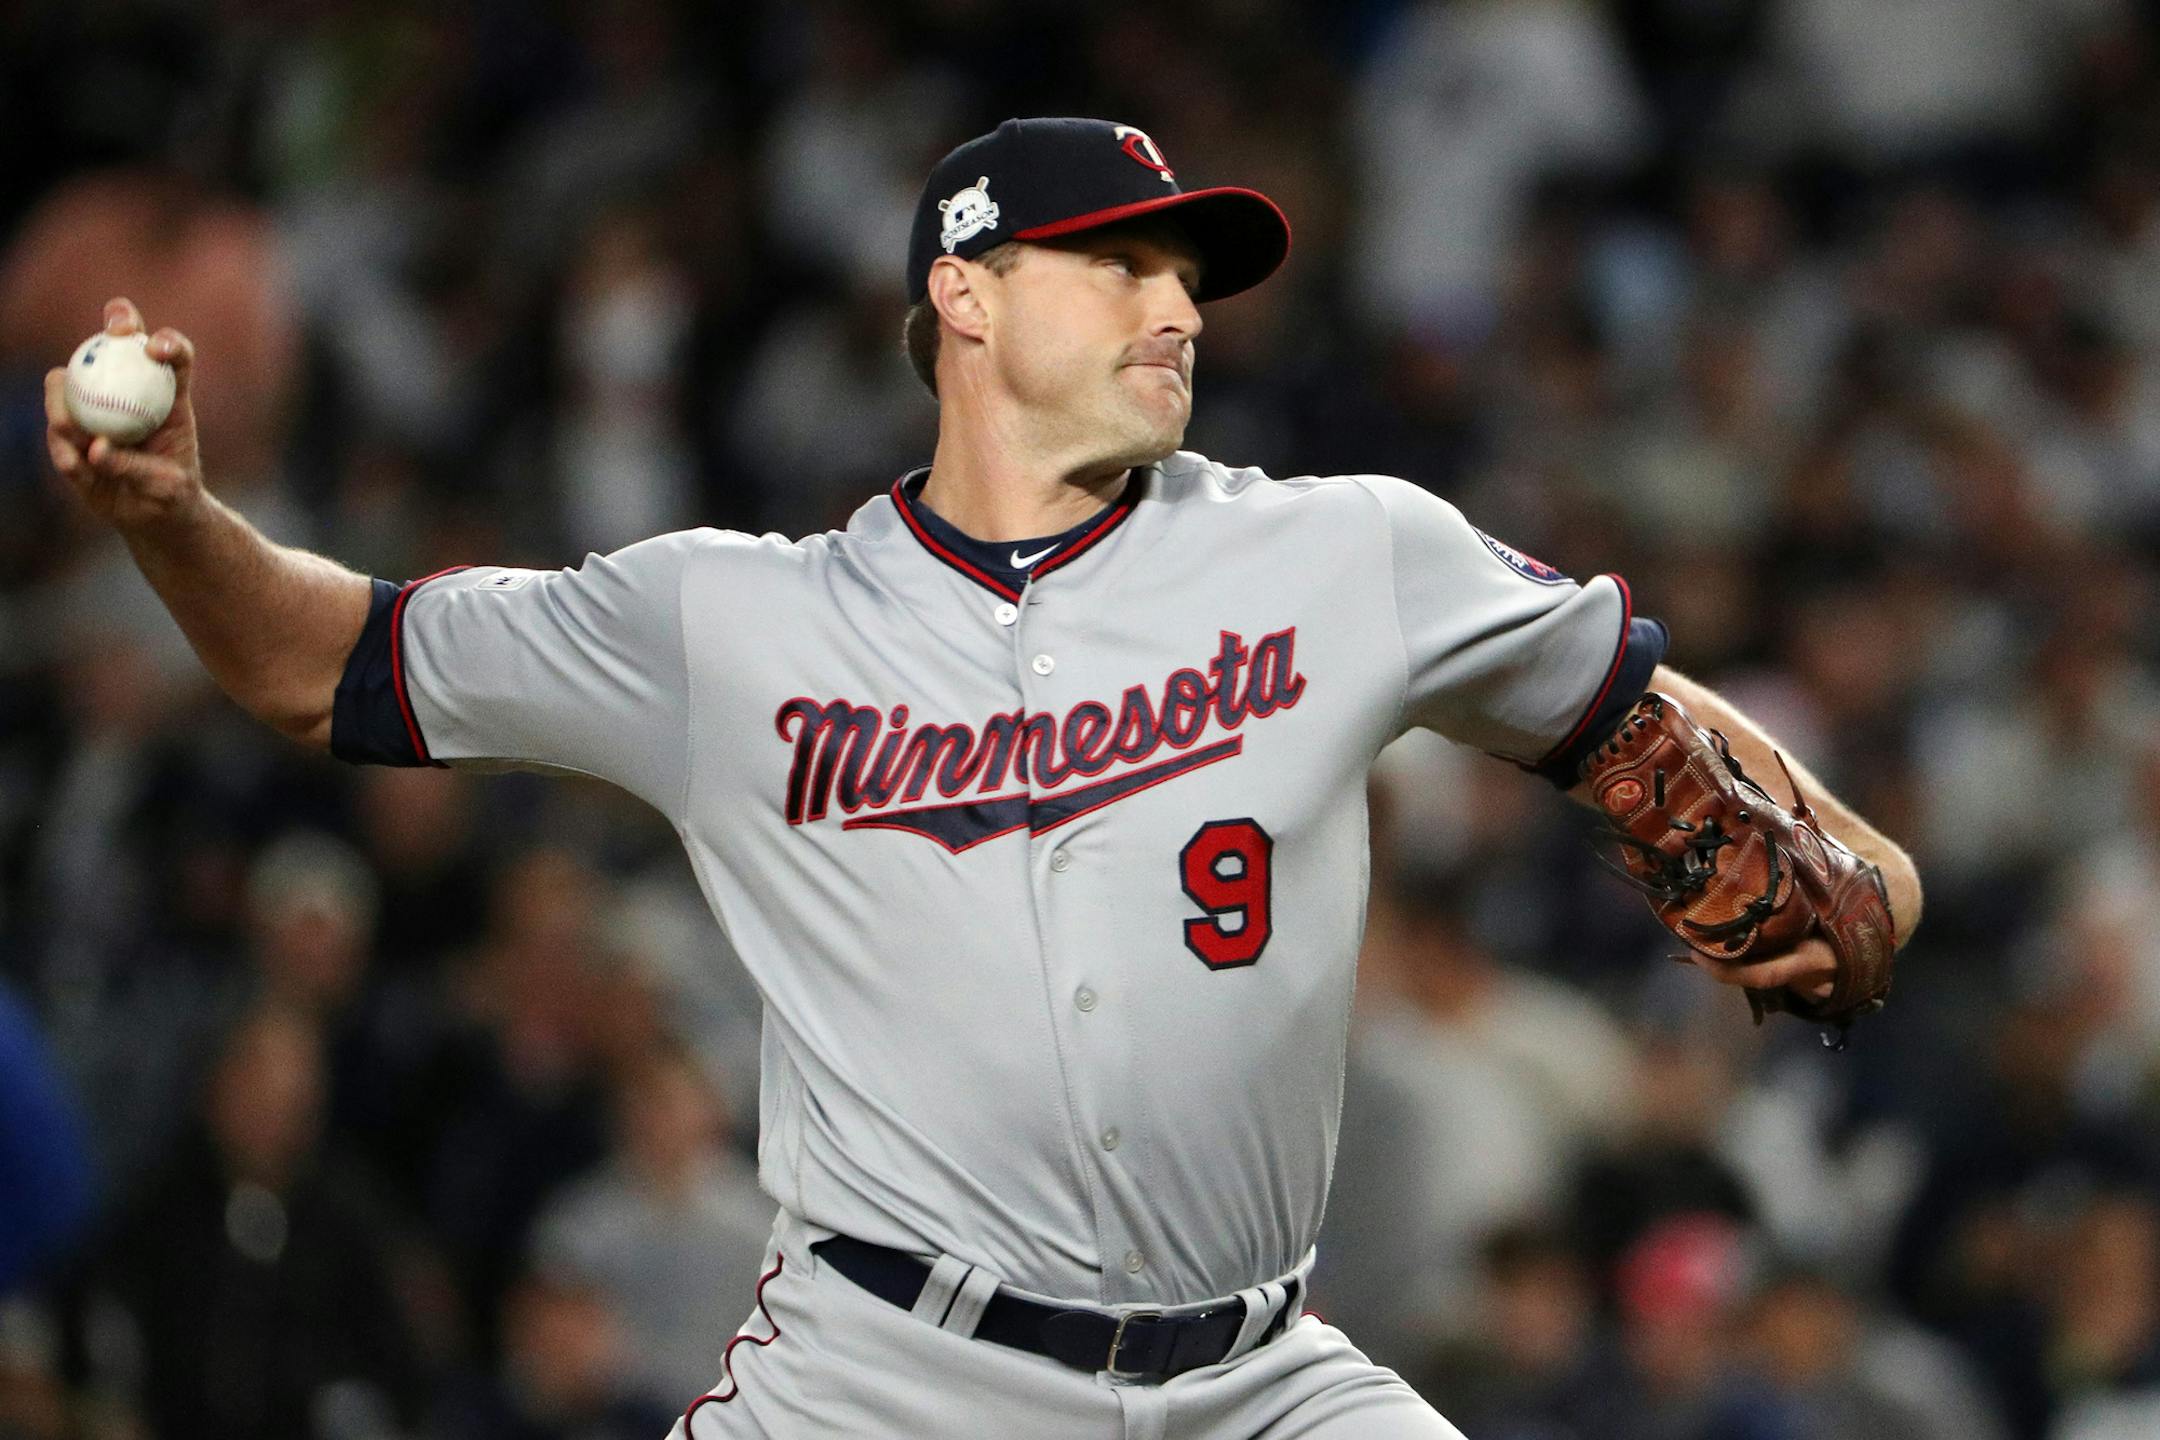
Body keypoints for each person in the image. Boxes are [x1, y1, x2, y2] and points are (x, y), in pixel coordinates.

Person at [45, 115, 1923, 1438]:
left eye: (1189, 276)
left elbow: (1633, 708)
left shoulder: (1348, 552)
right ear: (964, 292)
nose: (1177, 308)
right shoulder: (730, 625)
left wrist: (1856, 861)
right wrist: (175, 517)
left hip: (1261, 1380)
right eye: (1120, 265)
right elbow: (325, 664)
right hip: (887, 1377)